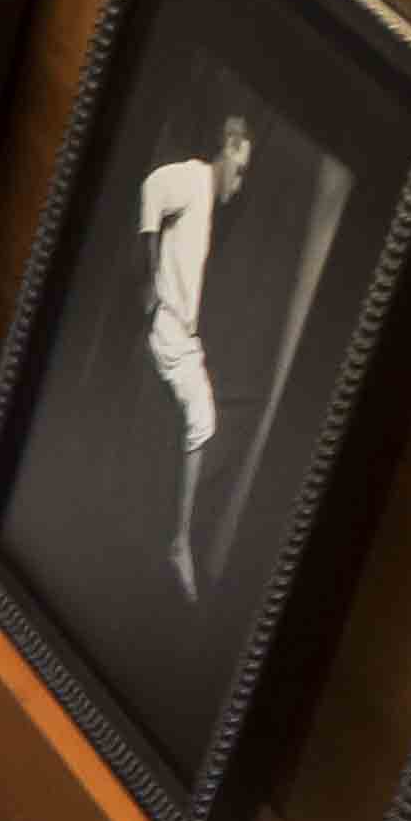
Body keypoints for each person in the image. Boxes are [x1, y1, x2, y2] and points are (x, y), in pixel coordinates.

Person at [138, 112, 255, 601]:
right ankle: (180, 543)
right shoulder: (190, 178)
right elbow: (150, 187)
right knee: (203, 419)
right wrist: (148, 283)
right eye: (241, 168)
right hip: (167, 326)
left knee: (203, 422)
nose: (240, 182)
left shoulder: (207, 199)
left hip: (184, 333)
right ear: (227, 147)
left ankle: (178, 540)